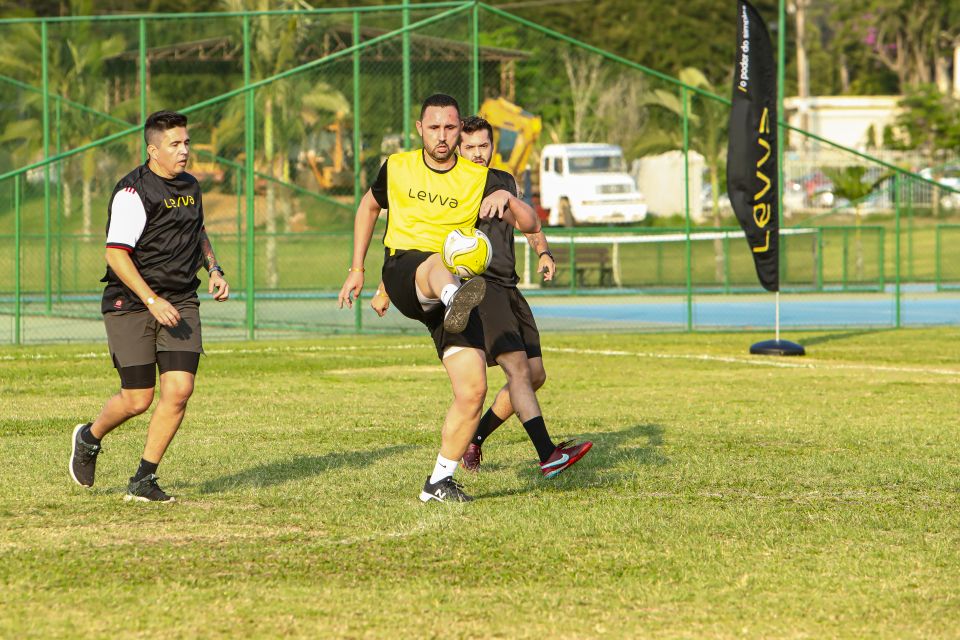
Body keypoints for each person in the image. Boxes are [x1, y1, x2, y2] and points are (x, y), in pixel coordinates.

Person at [338, 94, 537, 503]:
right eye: (434, 128)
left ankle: (438, 482)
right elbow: (368, 207)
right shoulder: (397, 166)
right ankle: (453, 296)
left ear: (458, 130)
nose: (442, 136)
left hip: (452, 294)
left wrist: (509, 199)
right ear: (420, 129)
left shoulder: (478, 177)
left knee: (473, 388)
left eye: (450, 127)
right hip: (405, 271)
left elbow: (531, 224)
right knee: (434, 262)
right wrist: (358, 268)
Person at [373, 116, 593, 477]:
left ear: (493, 147)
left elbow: (527, 222)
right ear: (459, 148)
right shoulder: (456, 185)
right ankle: (548, 455)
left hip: (509, 286)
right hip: (480, 288)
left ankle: (474, 438)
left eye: (484, 146)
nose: (477, 153)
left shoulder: (504, 181)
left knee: (535, 375)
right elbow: (415, 238)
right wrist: (385, 287)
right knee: (517, 369)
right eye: (470, 147)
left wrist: (543, 251)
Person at [69, 110, 230, 503]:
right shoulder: (132, 193)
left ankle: (143, 479)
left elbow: (198, 231)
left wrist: (214, 268)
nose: (184, 151)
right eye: (175, 144)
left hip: (181, 300)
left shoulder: (191, 185)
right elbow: (115, 255)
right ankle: (89, 437)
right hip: (132, 301)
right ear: (153, 150)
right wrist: (152, 300)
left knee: (179, 389)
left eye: (186, 142)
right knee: (137, 398)